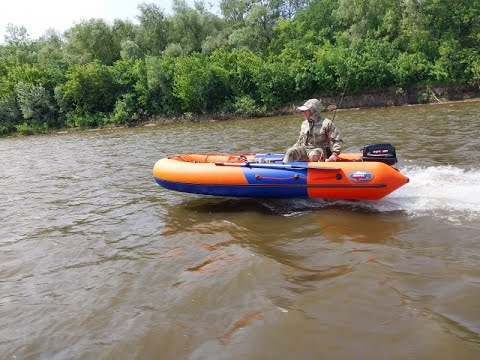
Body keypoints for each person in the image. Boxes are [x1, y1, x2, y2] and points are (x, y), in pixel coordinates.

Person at [283, 98, 342, 162]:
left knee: (313, 155)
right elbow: (300, 141)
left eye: (306, 111)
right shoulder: (304, 124)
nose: (304, 113)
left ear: (313, 111)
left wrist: (334, 154)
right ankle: (284, 168)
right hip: (305, 149)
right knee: (290, 152)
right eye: (303, 111)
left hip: (320, 150)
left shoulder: (327, 123)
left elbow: (337, 141)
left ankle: (316, 169)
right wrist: (292, 150)